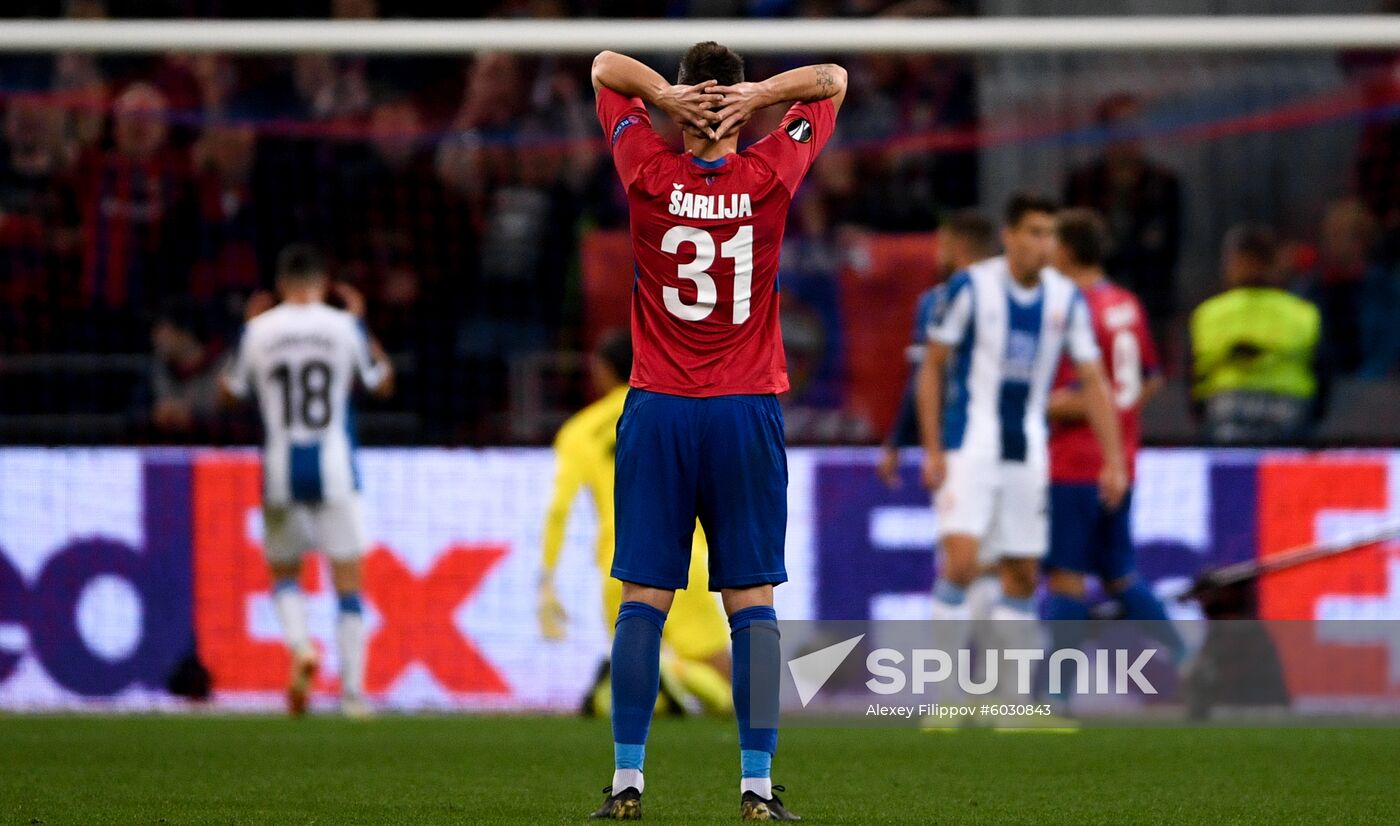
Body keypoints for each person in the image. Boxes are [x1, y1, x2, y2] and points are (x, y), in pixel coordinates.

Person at [589, 43, 846, 821]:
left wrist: (665, 96)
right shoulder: (770, 174)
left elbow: (604, 66)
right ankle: (757, 788)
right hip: (744, 410)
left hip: (659, 407)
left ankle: (629, 781)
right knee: (752, 602)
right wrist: (763, 94)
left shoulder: (643, 168)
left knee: (642, 599)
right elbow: (834, 80)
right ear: (736, 103)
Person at [916, 194, 1127, 698]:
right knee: (963, 563)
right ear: (1009, 236)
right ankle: (943, 699)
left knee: (1022, 573)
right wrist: (932, 448)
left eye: (1050, 234)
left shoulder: (1065, 299)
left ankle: (1009, 703)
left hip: (1028, 448)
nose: (1043, 244)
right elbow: (933, 365)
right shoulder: (972, 287)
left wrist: (1113, 460)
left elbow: (1094, 380)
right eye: (1033, 232)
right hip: (970, 443)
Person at [220, 244, 394, 718]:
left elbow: (228, 392)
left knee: (284, 572)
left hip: (279, 467)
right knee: (348, 580)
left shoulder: (259, 329)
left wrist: (245, 330)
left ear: (280, 285)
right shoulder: (341, 326)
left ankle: (301, 646)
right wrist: (360, 324)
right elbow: (381, 382)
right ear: (324, 283)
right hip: (335, 465)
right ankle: (353, 696)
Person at [537, 330, 733, 718]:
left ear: (603, 370)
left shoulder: (579, 431)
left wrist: (547, 579)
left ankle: (611, 694)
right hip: (682, 561)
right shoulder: (680, 413)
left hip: (619, 569)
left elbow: (559, 509)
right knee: (733, 692)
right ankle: (669, 671)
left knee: (640, 691)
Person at [1042, 209, 1183, 709]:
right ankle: (1188, 658)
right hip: (1118, 460)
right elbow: (1149, 379)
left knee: (1066, 577)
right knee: (1120, 572)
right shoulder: (1126, 303)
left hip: (1074, 462)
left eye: (1051, 242)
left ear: (1067, 252)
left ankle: (1054, 696)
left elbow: (1077, 395)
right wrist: (1119, 422)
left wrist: (1033, 403)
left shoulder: (1072, 308)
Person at [877, 208, 999, 488]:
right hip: (1016, 444)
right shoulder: (1020, 298)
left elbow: (923, 376)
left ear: (956, 247)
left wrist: (899, 443)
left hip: (959, 439)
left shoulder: (938, 301)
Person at [1189, 224, 1323, 445]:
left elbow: (1193, 384)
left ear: (1234, 263)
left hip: (1225, 413)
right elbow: (1322, 380)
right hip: (1290, 417)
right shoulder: (1304, 314)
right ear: (1273, 265)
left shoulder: (1208, 314)